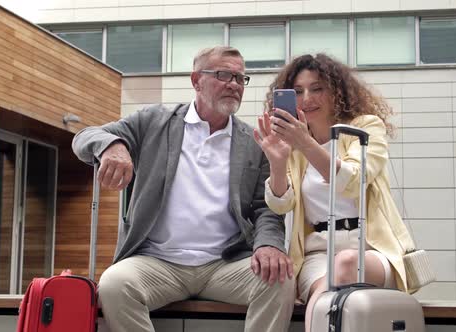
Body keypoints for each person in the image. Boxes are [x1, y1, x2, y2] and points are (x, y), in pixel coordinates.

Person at [72, 46, 295, 332]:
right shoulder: (154, 122)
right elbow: (84, 137)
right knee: (114, 285)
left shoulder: (253, 141)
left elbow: (265, 208)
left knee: (279, 278)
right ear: (195, 80)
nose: (234, 85)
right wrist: (112, 146)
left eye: (240, 79)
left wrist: (268, 244)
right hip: (157, 262)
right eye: (224, 75)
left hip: (224, 264)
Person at [253, 53, 418, 331]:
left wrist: (305, 143)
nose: (307, 98)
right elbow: (282, 204)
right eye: (297, 91)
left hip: (371, 248)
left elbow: (353, 179)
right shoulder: (292, 144)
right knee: (325, 298)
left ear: (337, 91)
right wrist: (278, 163)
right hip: (317, 254)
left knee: (345, 265)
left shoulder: (364, 128)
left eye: (318, 88)